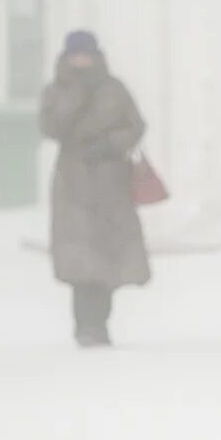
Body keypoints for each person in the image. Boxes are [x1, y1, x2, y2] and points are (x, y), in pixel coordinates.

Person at [39, 30, 152, 347]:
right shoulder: (57, 90)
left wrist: (110, 145)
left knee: (106, 256)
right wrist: (76, 97)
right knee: (80, 259)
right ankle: (84, 325)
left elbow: (136, 125)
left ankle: (99, 322)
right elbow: (50, 127)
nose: (81, 61)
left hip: (109, 182)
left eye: (86, 54)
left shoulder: (114, 89)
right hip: (72, 183)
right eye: (76, 55)